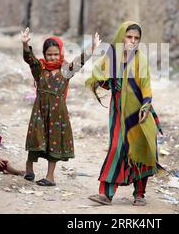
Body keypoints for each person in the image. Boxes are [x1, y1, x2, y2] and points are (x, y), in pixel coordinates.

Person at [86, 21, 163, 206]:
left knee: (140, 148)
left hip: (138, 112)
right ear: (122, 37)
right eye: (129, 37)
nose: (133, 41)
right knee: (116, 148)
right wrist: (102, 79)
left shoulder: (140, 59)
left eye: (136, 38)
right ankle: (105, 194)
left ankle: (139, 194)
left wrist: (146, 106)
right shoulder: (112, 57)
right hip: (119, 110)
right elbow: (102, 78)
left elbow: (146, 86)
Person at [21, 27, 101, 186]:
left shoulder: (66, 70)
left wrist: (92, 49)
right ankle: (29, 168)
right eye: (49, 54)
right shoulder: (40, 68)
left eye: (55, 54)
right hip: (40, 110)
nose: (52, 57)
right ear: (44, 54)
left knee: (54, 142)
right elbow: (29, 59)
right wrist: (24, 44)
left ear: (61, 53)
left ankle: (50, 176)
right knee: (36, 137)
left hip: (58, 113)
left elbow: (79, 62)